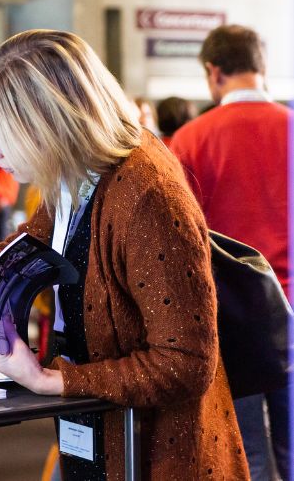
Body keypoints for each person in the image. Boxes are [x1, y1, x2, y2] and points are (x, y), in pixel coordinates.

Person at [0, 30, 250, 480]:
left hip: (159, 454)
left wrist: (58, 381)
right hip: (101, 437)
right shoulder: (76, 175)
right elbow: (21, 252)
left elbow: (186, 362)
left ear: (45, 122)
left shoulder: (148, 194)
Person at [170, 24, 290, 481]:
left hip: (230, 320)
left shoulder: (190, 140)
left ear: (212, 72)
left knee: (246, 458)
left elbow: (179, 240)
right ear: (262, 68)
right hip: (292, 310)